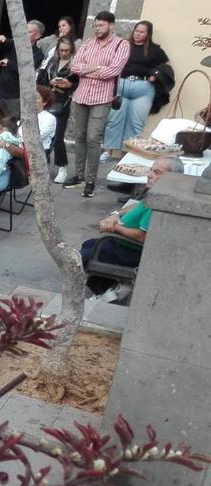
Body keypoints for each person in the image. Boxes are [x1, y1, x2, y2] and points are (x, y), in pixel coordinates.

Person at [80, 156, 182, 302]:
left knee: (84, 256)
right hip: (122, 243)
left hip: (131, 250)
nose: (149, 174)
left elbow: (142, 236)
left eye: (157, 172)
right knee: (88, 245)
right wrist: (116, 215)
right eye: (151, 170)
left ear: (172, 178)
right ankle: (114, 284)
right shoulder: (155, 194)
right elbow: (138, 204)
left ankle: (109, 292)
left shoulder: (160, 203)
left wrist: (115, 228)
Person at [103, 21, 169, 161]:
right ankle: (108, 152)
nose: (137, 34)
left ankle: (128, 154)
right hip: (122, 85)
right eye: (136, 30)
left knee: (136, 122)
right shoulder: (123, 45)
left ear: (148, 34)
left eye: (142, 32)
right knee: (114, 119)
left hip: (143, 89)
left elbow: (166, 67)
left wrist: (155, 75)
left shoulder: (155, 50)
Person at [40, 37, 78, 185]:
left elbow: (78, 84)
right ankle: (44, 166)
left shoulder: (75, 65)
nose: (63, 53)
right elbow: (41, 80)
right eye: (61, 50)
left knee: (58, 136)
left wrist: (69, 84)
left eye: (67, 50)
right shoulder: (51, 63)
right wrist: (49, 82)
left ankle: (62, 167)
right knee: (43, 134)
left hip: (63, 101)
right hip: (48, 98)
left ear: (72, 50)